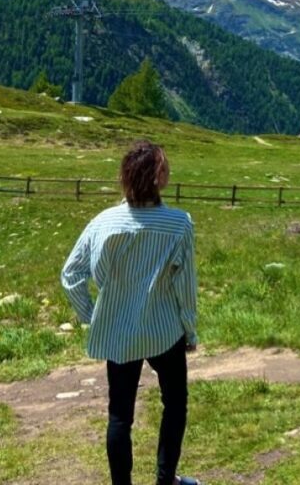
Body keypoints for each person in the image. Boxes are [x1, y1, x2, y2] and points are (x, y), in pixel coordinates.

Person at [61, 140, 199, 485]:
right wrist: (190, 330)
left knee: (120, 416)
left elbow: (71, 274)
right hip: (164, 330)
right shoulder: (179, 223)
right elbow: (185, 287)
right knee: (175, 404)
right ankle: (166, 480)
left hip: (118, 333)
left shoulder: (103, 222)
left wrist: (92, 316)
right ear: (158, 178)